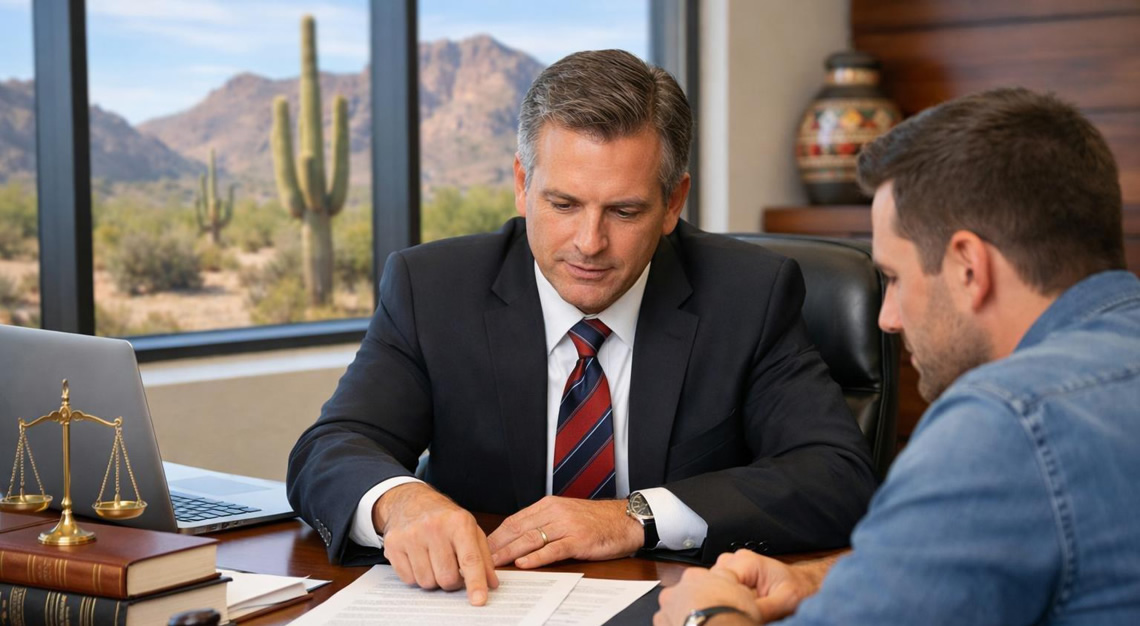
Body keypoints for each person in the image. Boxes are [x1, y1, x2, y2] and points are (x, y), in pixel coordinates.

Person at [287, 49, 876, 607]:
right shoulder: (433, 288)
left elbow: (836, 475)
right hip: (484, 605)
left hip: (671, 607)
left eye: (624, 211)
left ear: (674, 202)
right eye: (563, 204)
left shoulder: (749, 295)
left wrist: (634, 517)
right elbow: (330, 449)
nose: (589, 244)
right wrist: (401, 504)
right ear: (522, 185)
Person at [655, 86, 1140, 625]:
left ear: (968, 268)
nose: (887, 317)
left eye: (893, 278)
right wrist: (820, 580)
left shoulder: (1004, 426)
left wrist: (706, 615)